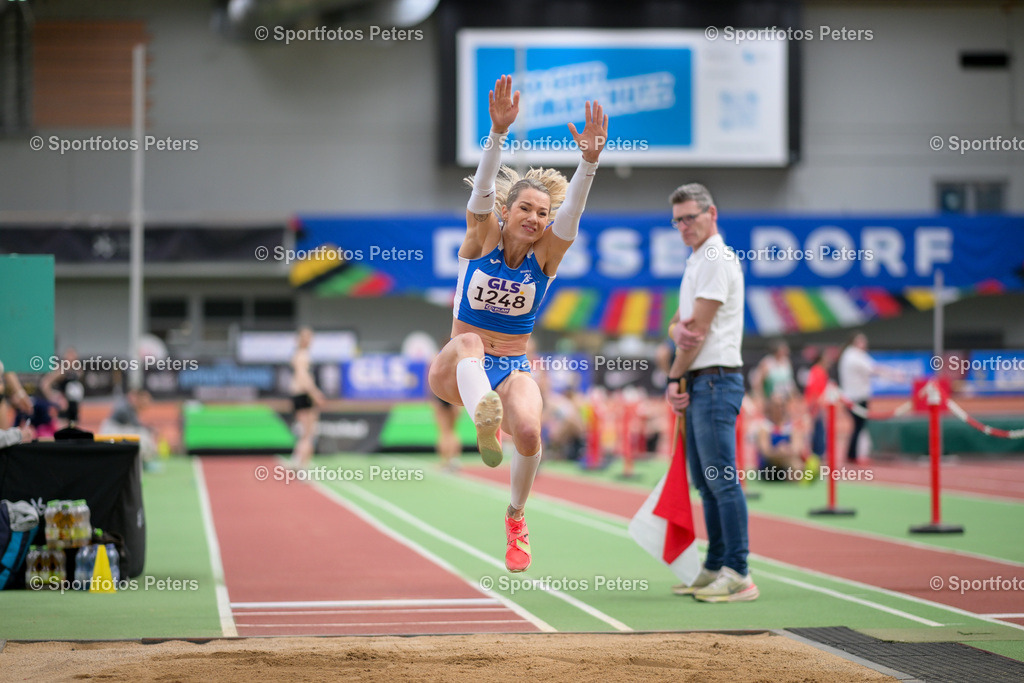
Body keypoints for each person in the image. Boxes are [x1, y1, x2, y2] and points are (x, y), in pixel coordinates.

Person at [428, 74, 607, 572]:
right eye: (525, 208)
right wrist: (498, 134)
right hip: (457, 369)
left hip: (510, 364)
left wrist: (588, 163)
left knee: (529, 431)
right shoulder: (481, 238)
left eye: (542, 213)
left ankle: (515, 517)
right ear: (507, 212)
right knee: (470, 345)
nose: (534, 217)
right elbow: (482, 189)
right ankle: (483, 413)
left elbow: (572, 213)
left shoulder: (547, 257)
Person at [664, 182, 757, 603]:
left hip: (717, 378)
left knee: (721, 480)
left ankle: (738, 570)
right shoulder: (698, 260)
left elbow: (694, 332)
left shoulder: (716, 257)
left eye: (691, 217)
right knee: (706, 480)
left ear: (711, 213)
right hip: (704, 380)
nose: (684, 226)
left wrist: (672, 378)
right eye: (678, 220)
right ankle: (717, 562)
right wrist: (679, 341)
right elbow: (677, 324)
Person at [288, 326, 325, 470]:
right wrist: (315, 393)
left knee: (305, 433)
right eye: (308, 337)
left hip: (298, 395)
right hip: (304, 395)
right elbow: (303, 377)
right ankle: (303, 466)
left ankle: (296, 460)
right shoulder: (302, 355)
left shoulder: (297, 354)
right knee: (309, 434)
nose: (310, 340)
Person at [41, 347, 85, 427]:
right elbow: (45, 384)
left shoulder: (78, 371)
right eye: (69, 358)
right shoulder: (61, 371)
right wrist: (55, 399)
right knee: (63, 434)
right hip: (64, 411)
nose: (72, 360)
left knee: (75, 433)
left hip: (74, 409)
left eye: (74, 358)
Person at [750, 339, 796, 407]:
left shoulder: (787, 362)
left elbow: (790, 382)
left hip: (785, 398)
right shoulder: (767, 363)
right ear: (777, 350)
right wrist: (761, 399)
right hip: (771, 400)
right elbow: (757, 383)